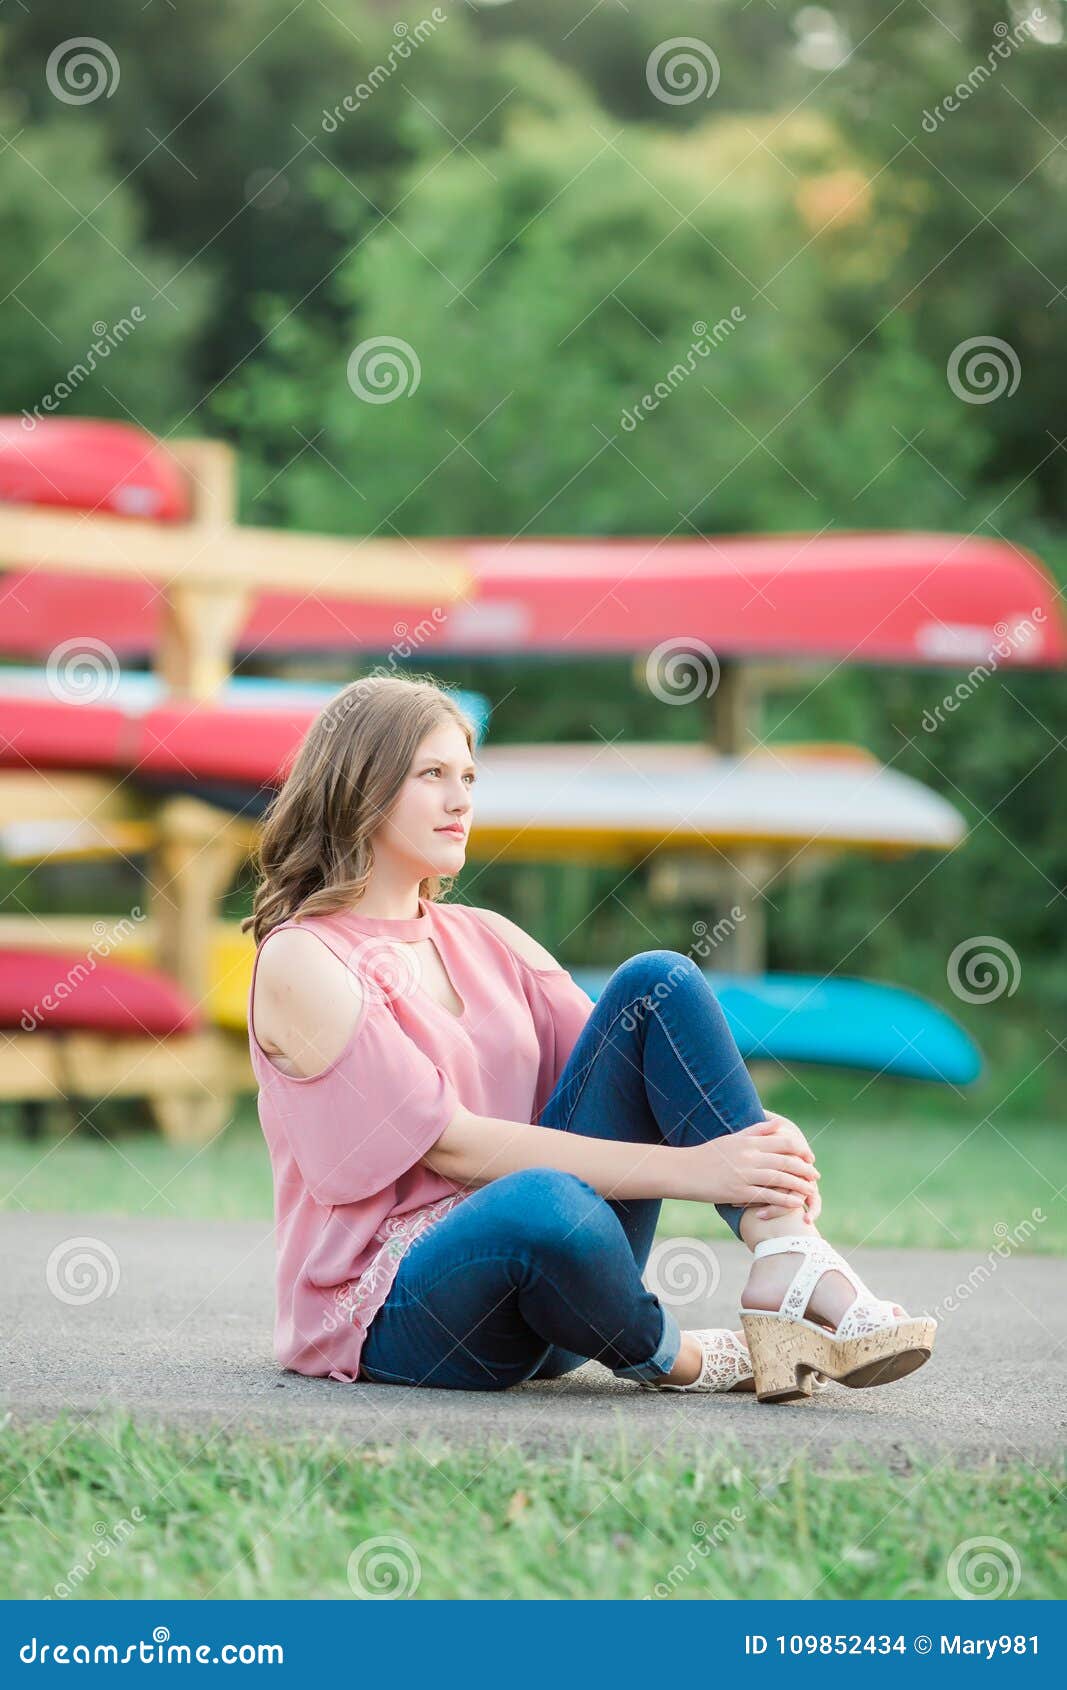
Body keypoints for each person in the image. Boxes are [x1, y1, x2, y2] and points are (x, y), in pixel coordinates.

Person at [243, 673, 935, 1403]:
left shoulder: (488, 938)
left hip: (559, 1293)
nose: (461, 800)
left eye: (469, 776)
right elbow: (452, 1146)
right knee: (540, 1199)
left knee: (655, 980)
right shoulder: (304, 958)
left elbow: (638, 1065)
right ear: (359, 786)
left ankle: (787, 1254)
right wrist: (705, 1170)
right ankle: (678, 1357)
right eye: (433, 775)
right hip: (401, 1316)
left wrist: (754, 1143)